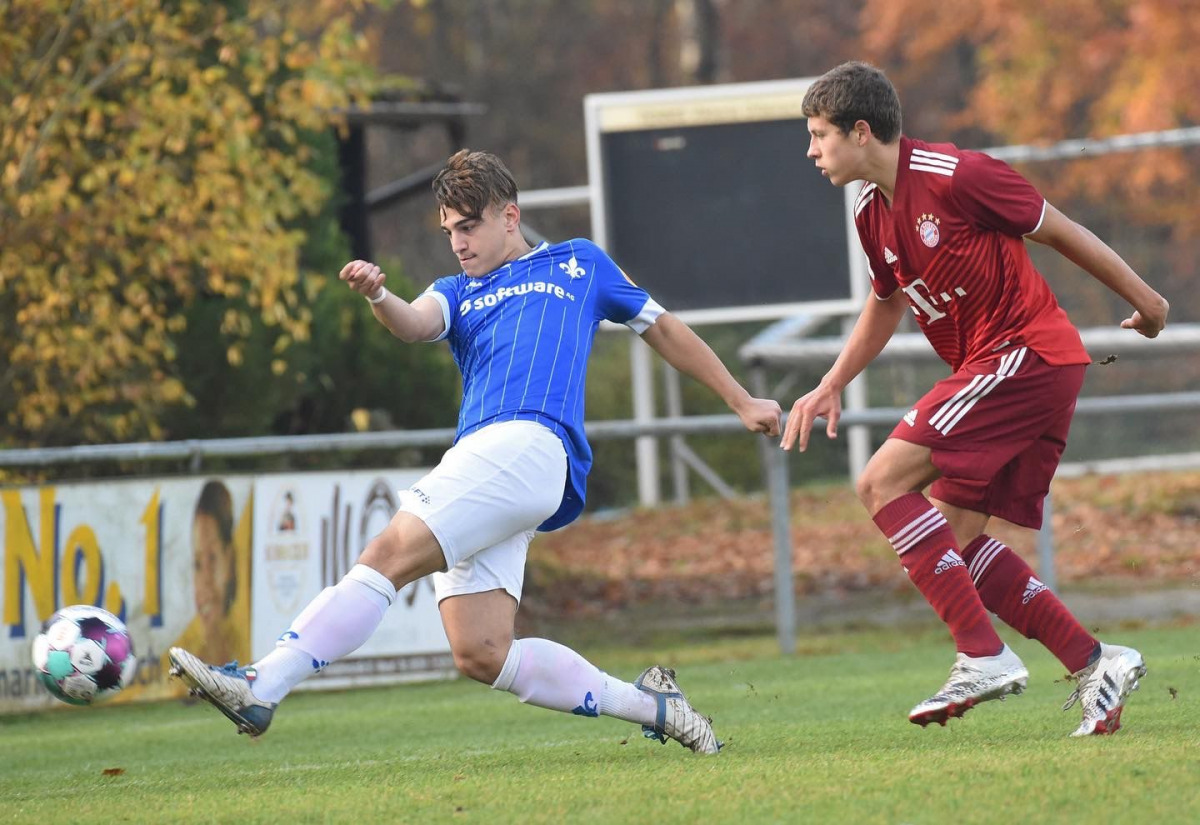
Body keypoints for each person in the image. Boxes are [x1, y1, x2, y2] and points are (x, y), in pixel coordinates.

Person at [170, 148, 782, 753]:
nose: (459, 243)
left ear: (509, 217)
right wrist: (379, 296)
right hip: (495, 460)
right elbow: (413, 323)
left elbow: (664, 328)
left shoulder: (579, 264)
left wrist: (741, 401)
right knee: (481, 650)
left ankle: (263, 682)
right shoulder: (457, 292)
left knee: (386, 552)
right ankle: (656, 706)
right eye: (449, 232)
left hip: (530, 443)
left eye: (470, 226)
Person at [780, 62, 1169, 736]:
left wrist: (1148, 301)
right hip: (1021, 370)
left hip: (1025, 355)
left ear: (861, 131)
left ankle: (982, 653)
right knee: (954, 542)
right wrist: (832, 380)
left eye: (819, 136)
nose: (812, 151)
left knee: (880, 481)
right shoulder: (871, 211)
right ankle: (1096, 661)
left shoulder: (959, 175)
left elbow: (1061, 229)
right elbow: (886, 303)